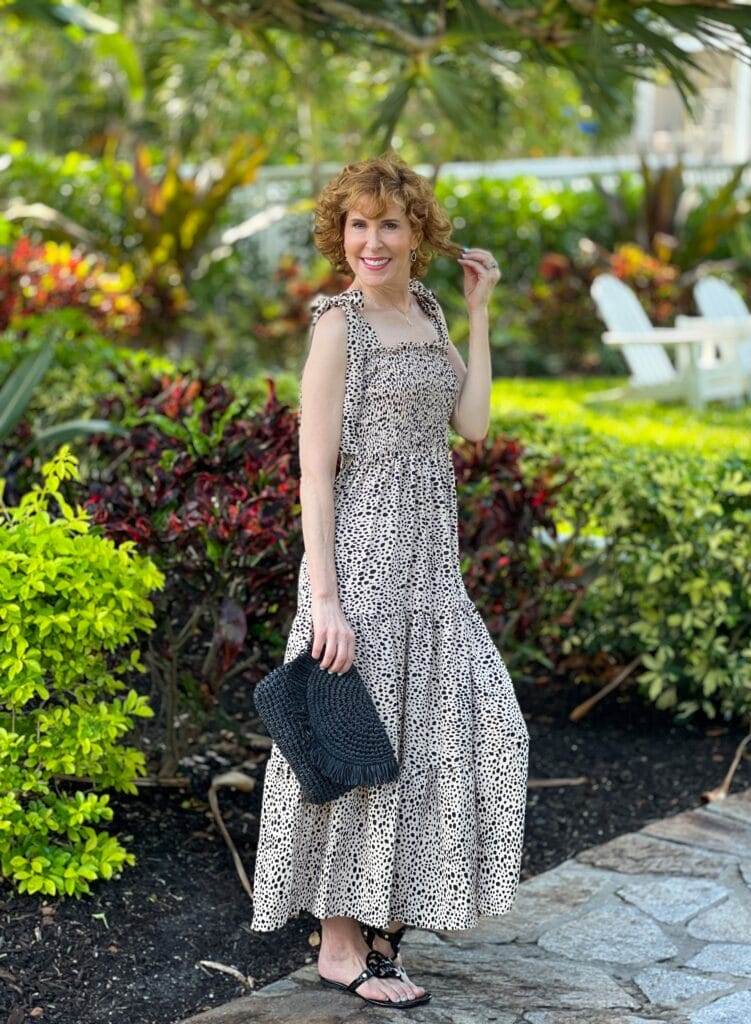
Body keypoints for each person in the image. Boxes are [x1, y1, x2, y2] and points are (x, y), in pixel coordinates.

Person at [250, 153, 529, 1009]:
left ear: (419, 235)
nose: (372, 241)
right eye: (358, 225)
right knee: (353, 751)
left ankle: (379, 926)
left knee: (475, 732)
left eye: (390, 224)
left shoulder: (429, 307)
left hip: (429, 569)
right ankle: (344, 946)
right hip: (362, 570)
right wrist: (324, 598)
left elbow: (472, 423)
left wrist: (480, 317)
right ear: (342, 234)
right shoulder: (339, 326)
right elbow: (315, 472)